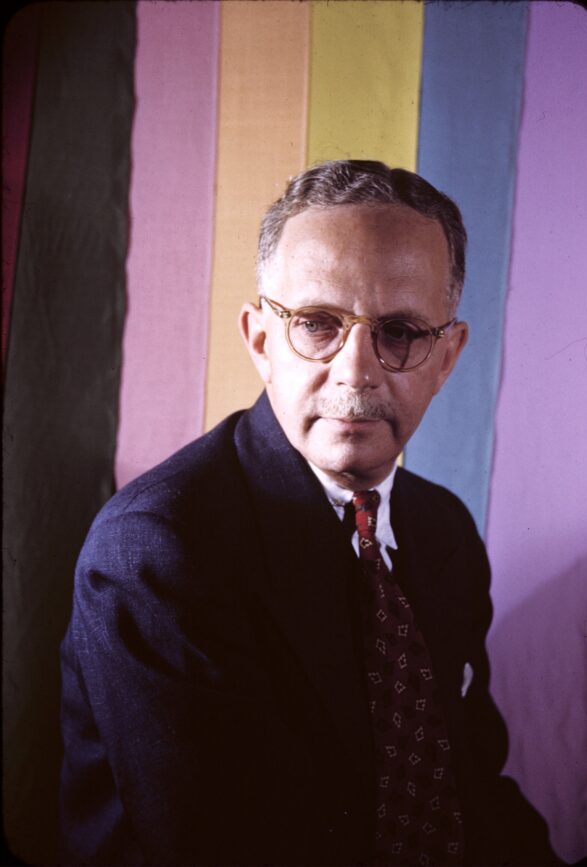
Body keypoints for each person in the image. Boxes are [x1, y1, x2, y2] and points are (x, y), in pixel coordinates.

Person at [60, 160, 557, 866]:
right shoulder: (157, 552)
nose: (356, 370)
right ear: (261, 340)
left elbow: (467, 782)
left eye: (400, 333)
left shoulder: (444, 530)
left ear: (446, 359)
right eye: (319, 324)